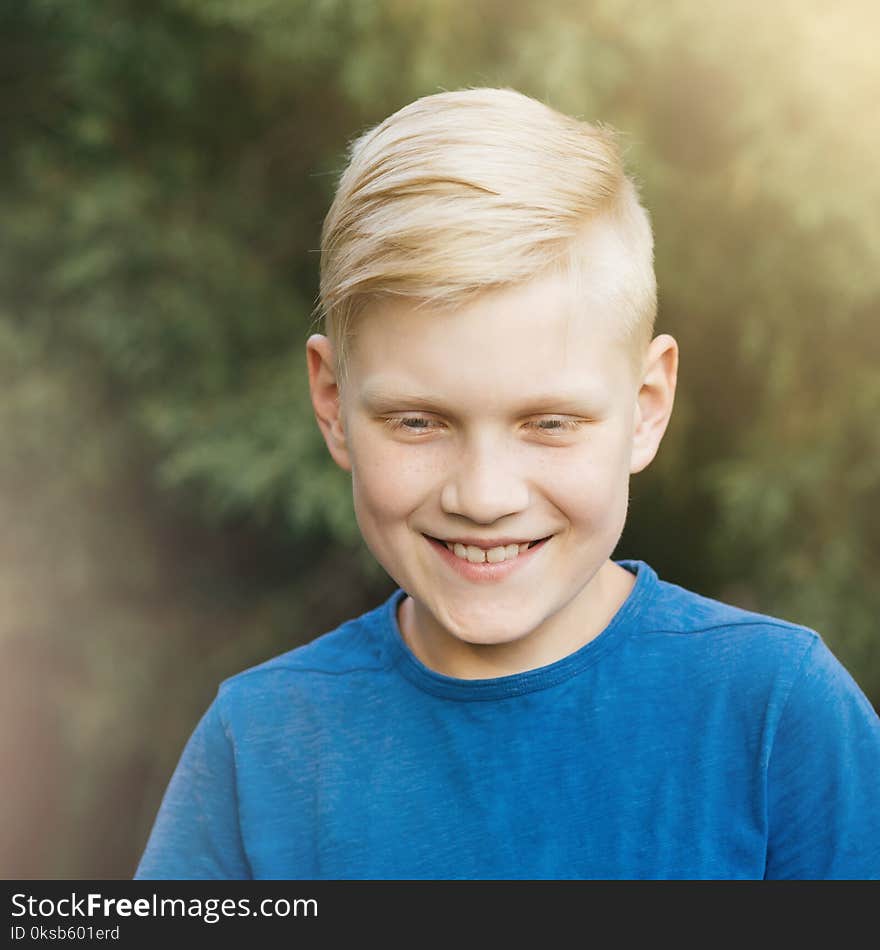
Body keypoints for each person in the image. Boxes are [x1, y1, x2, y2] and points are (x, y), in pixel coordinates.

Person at [135, 87, 880, 880]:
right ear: (332, 403)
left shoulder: (777, 718)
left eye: (550, 422)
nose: (484, 497)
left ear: (645, 407)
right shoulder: (259, 747)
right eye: (419, 421)